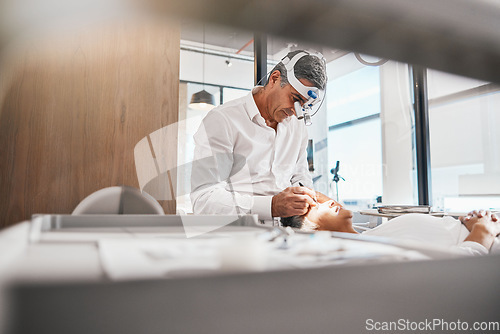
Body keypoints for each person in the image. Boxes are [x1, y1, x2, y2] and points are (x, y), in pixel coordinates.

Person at [190, 50, 334, 222]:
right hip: (233, 237)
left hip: (284, 239)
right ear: (274, 79)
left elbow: (300, 178)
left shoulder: (298, 127)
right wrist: (271, 206)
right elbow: (203, 200)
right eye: (295, 99)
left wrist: (306, 199)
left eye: (304, 105)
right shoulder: (222, 121)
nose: (296, 112)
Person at [281, 203, 500, 255]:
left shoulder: (371, 235)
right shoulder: (368, 252)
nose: (328, 202)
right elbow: (456, 270)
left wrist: (467, 220)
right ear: (311, 231)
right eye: (311, 206)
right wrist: (483, 231)